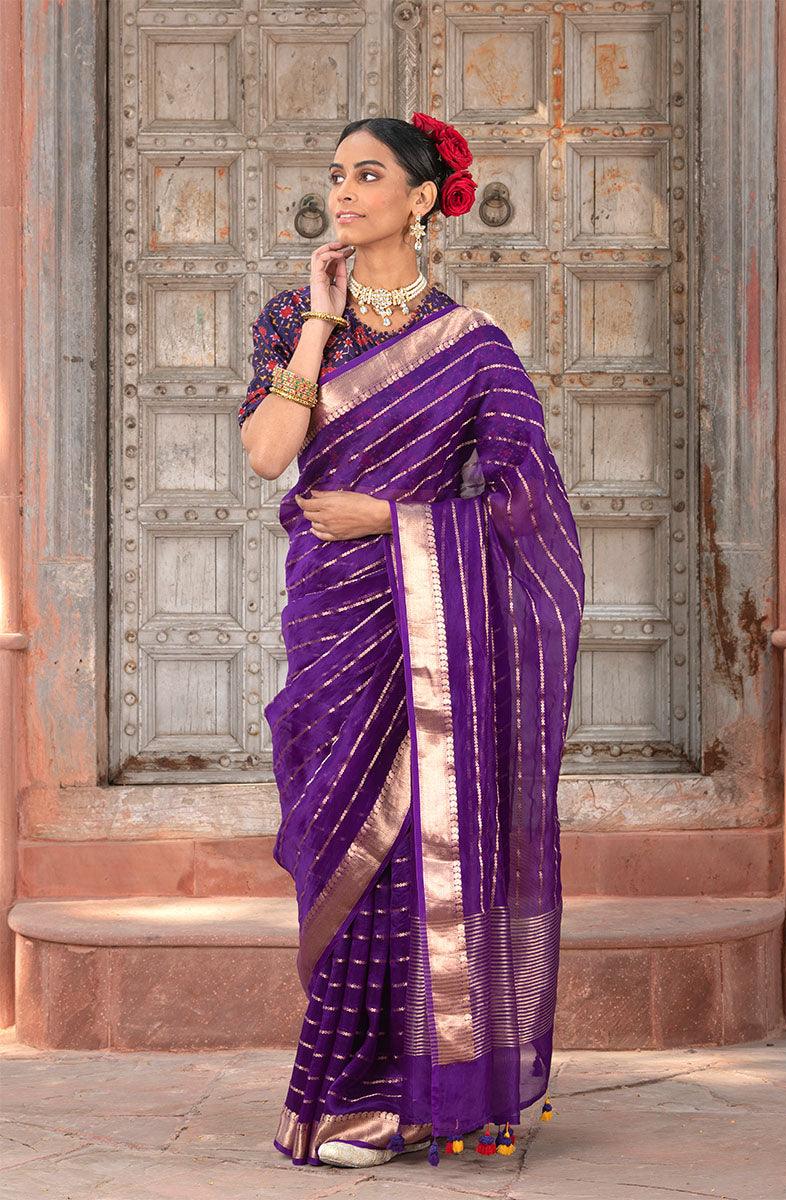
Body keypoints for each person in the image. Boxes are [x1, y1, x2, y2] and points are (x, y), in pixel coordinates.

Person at [239, 113, 585, 1170]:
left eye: (369, 175)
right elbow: (267, 455)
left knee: (426, 841)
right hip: (335, 618)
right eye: (337, 175)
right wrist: (317, 327)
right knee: (343, 834)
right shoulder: (294, 316)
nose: (344, 192)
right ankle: (348, 1094)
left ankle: (425, 1093)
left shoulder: (472, 343)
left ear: (424, 199)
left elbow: (530, 507)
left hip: (434, 626)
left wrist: (395, 521)